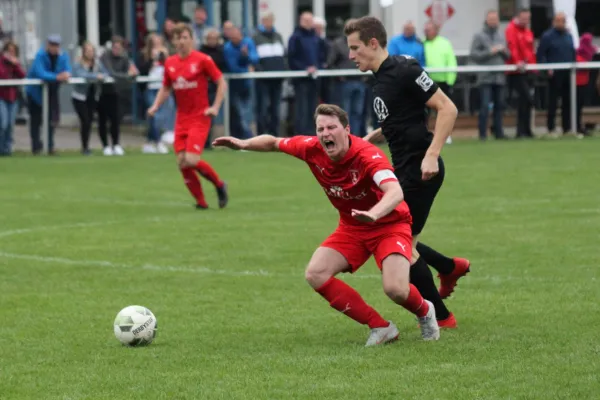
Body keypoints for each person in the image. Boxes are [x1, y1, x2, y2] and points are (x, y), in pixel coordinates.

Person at [213, 104, 440, 345]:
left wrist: (374, 214)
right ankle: (380, 327)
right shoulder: (311, 148)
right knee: (316, 273)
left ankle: (425, 312)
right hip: (353, 227)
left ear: (347, 130)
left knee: (395, 289)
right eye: (320, 129)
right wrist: (243, 144)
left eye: (331, 127)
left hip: (389, 225)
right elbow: (273, 142)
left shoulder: (367, 155)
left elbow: (395, 192)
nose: (325, 134)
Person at [344, 17, 469, 326]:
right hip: (402, 170)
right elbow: (399, 118)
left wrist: (432, 154)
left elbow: (448, 108)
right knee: (394, 236)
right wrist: (372, 137)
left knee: (400, 243)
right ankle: (449, 267)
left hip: (421, 170)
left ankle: (441, 316)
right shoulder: (379, 77)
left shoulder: (404, 70)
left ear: (373, 43)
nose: (350, 55)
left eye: (355, 48)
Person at [148, 23, 229, 209]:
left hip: (200, 117)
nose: (182, 41)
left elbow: (221, 82)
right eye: (178, 38)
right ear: (174, 41)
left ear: (192, 40)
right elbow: (166, 87)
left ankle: (219, 185)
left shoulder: (202, 59)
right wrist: (155, 106)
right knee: (182, 163)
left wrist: (215, 107)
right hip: (182, 119)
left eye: (185, 37)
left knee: (191, 160)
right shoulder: (170, 63)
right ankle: (201, 203)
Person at [71, 41, 107, 155]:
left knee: (89, 121)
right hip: (80, 97)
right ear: (83, 52)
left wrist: (101, 76)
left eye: (92, 51)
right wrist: (96, 76)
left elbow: (106, 73)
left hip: (92, 96)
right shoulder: (78, 64)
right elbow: (81, 75)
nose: (90, 53)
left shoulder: (97, 63)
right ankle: (85, 147)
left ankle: (86, 146)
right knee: (85, 120)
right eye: (88, 51)